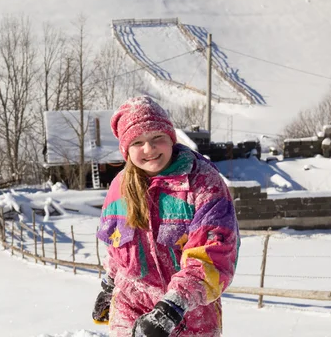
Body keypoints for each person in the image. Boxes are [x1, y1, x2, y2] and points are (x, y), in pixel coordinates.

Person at [92, 96, 239, 337]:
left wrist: (171, 307)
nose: (149, 149)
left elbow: (213, 253)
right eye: (137, 142)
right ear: (126, 150)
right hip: (130, 306)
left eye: (156, 138)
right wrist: (108, 286)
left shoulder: (202, 182)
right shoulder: (119, 188)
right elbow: (116, 247)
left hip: (190, 313)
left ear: (170, 138)